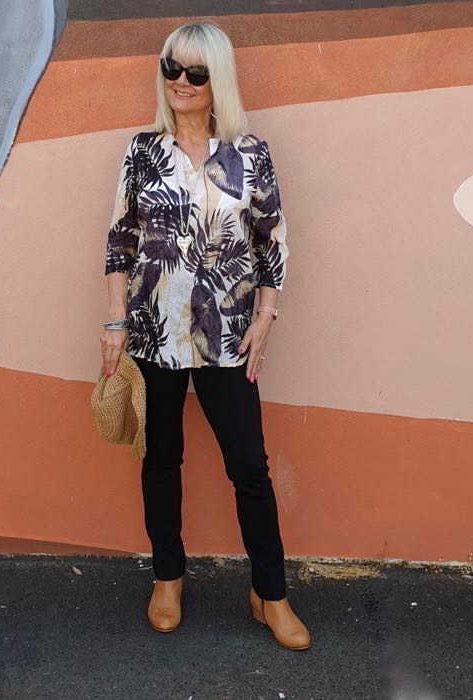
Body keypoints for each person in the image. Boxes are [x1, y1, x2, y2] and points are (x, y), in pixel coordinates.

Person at [100, 22, 310, 651]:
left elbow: (273, 244)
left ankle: (269, 592)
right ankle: (168, 577)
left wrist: (266, 319)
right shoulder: (143, 152)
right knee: (162, 459)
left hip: (227, 338)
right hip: (152, 332)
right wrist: (114, 324)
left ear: (218, 79)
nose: (180, 82)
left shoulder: (250, 153)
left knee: (249, 465)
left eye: (195, 72)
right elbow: (119, 242)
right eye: (171, 68)